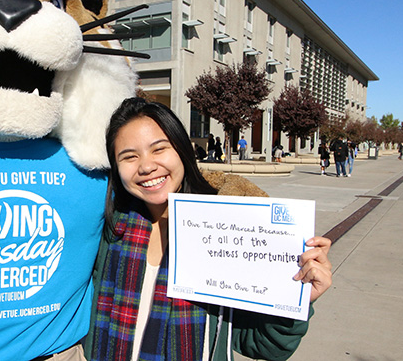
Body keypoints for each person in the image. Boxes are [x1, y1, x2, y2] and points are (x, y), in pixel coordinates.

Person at [85, 98, 332, 361]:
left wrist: (298, 299)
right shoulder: (108, 231)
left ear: (181, 149)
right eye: (129, 156)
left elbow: (263, 345)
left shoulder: (228, 230)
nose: (146, 166)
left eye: (159, 149)